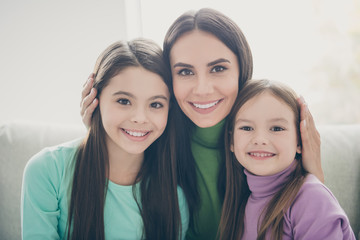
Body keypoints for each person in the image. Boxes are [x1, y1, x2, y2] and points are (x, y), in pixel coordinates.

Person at [80, 8, 323, 240]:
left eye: (218, 68)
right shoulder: (156, 132)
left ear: (241, 69)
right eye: (185, 72)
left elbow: (312, 217)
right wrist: (101, 127)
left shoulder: (266, 138)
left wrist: (312, 171)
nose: (203, 89)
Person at [21, 39, 189, 239]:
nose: (140, 118)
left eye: (155, 105)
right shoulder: (48, 170)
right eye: (124, 101)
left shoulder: (174, 198)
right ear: (94, 100)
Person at [219, 79, 355, 240]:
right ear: (231, 141)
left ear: (299, 140)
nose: (260, 139)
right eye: (246, 128)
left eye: (277, 128)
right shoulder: (242, 202)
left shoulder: (312, 197)